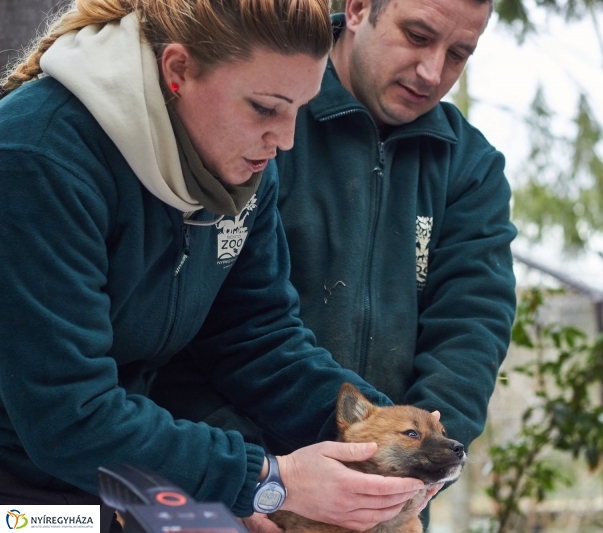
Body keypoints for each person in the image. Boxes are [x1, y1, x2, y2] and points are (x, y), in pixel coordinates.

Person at [0, 1, 426, 532]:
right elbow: (69, 415)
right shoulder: (38, 159)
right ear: (178, 70)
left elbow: (254, 337)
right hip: (24, 501)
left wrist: (388, 440)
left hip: (121, 486)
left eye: (299, 108)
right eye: (266, 107)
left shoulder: (239, 170)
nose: (286, 140)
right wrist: (269, 480)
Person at [151, 0, 518, 528]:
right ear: (358, 8)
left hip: (379, 499)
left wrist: (412, 477)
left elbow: (472, 330)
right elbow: (222, 322)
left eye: (459, 53)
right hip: (235, 481)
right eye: (417, 35)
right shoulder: (267, 119)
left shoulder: (469, 166)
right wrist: (253, 480)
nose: (432, 71)